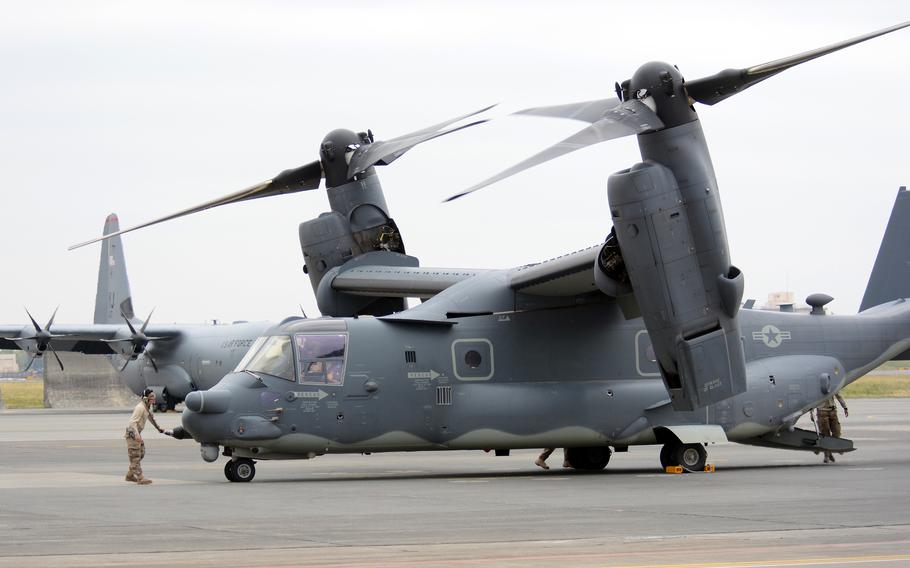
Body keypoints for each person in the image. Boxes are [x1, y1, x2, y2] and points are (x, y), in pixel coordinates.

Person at [125, 389, 172, 484]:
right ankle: (140, 477)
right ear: (145, 398)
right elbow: (132, 423)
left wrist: (158, 428)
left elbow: (150, 417)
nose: (154, 398)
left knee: (141, 453)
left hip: (137, 433)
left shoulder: (147, 407)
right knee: (135, 456)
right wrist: (137, 435)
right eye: (151, 397)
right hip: (132, 434)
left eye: (153, 396)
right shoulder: (140, 408)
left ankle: (130, 475)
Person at [814, 392, 848, 464]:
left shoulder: (832, 385)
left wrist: (844, 407)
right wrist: (811, 413)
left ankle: (833, 449)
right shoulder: (816, 386)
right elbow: (811, 400)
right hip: (822, 412)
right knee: (825, 435)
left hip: (832, 411)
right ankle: (827, 455)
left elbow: (838, 395)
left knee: (837, 432)